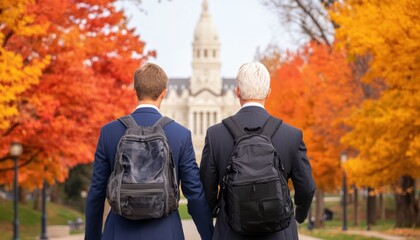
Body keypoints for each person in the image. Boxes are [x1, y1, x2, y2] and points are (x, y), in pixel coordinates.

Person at [85, 62, 214, 240]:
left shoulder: (109, 132)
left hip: (118, 231)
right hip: (167, 232)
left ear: (135, 90)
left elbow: (96, 193)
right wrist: (209, 235)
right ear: (164, 92)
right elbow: (195, 194)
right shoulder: (181, 135)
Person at [200, 62, 316, 240]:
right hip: (280, 232)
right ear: (268, 92)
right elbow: (307, 187)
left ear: (237, 91)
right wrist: (298, 216)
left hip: (230, 232)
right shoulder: (291, 135)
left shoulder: (215, 135)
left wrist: (219, 211)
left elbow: (206, 190)